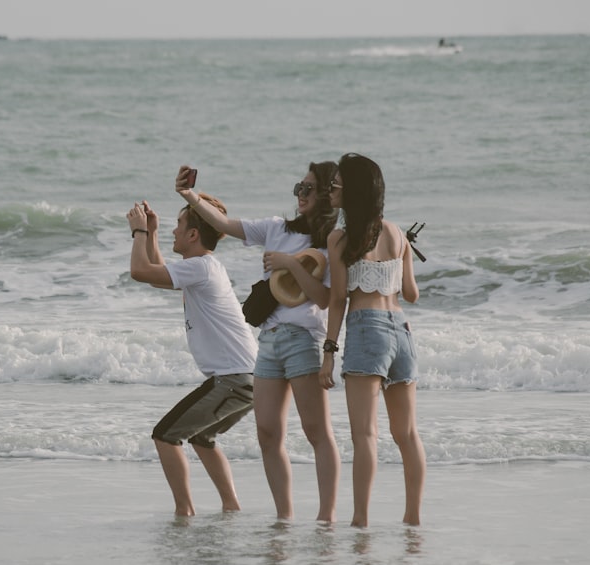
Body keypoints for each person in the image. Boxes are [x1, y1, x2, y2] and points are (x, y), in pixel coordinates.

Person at [176, 163, 341, 521]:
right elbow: (223, 225)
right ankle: (284, 516)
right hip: (268, 341)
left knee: (316, 432)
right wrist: (189, 196)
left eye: (309, 188)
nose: (301, 194)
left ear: (329, 195)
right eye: (299, 186)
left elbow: (325, 299)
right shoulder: (276, 228)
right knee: (267, 432)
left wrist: (290, 264)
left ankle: (326, 516)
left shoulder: (330, 242)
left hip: (303, 339)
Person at [126, 195, 257, 516]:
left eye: (178, 226)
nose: (174, 231)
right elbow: (159, 274)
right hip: (243, 377)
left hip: (234, 378)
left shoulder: (201, 268)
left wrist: (138, 232)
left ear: (194, 235)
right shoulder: (202, 268)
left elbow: (140, 272)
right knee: (202, 437)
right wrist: (153, 233)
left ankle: (184, 512)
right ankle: (231, 508)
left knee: (165, 435)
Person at [318, 153, 425, 528]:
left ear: (353, 191)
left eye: (335, 185)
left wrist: (328, 353)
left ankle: (360, 520)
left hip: (367, 330)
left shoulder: (340, 239)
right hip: (402, 331)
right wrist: (402, 256)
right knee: (407, 434)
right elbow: (411, 293)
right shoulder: (397, 234)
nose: (330, 190)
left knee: (365, 435)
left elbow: (336, 300)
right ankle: (413, 519)